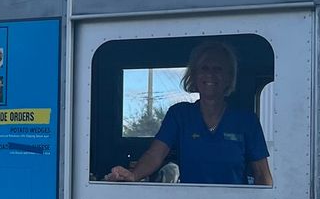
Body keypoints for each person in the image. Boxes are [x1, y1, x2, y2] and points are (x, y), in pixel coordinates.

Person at [107, 40, 273, 186]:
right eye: (204, 68)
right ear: (194, 75)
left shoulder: (246, 121)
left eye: (218, 69)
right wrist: (133, 175)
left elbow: (262, 175)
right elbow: (155, 154)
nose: (210, 74)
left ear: (229, 77)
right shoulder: (179, 115)